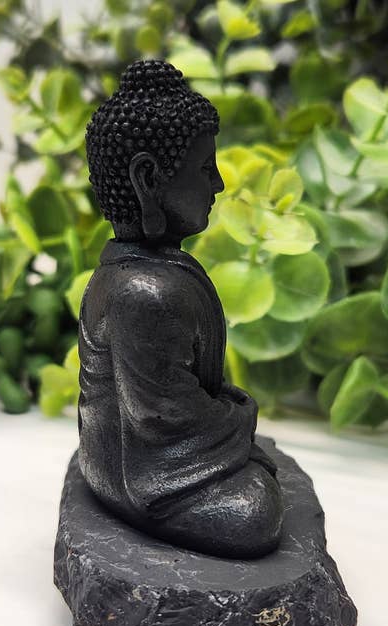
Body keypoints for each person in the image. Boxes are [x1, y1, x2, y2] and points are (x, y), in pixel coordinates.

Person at [78, 60, 282, 558]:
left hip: (145, 457)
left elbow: (178, 391)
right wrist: (241, 416)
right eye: (204, 168)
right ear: (148, 179)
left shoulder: (148, 271)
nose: (219, 185)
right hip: (142, 476)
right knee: (254, 511)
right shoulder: (144, 291)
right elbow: (162, 419)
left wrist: (226, 414)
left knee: (262, 480)